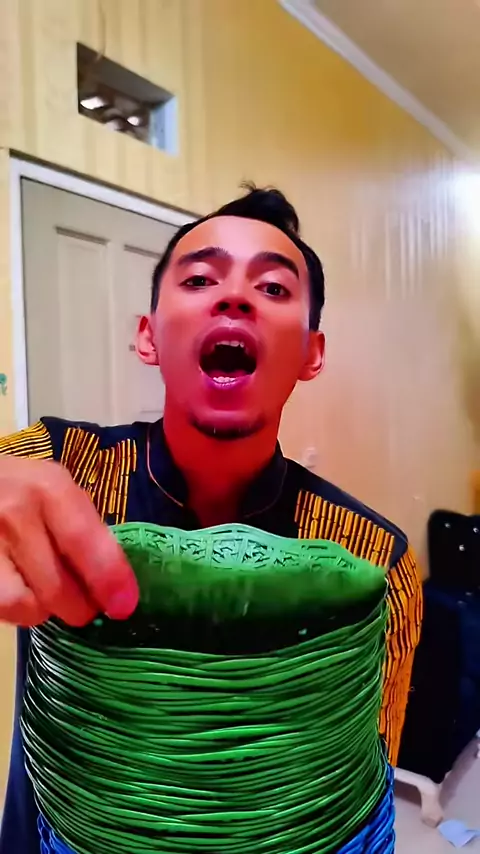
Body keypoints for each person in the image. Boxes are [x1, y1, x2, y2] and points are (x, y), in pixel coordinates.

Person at [0, 185, 422, 853]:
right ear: (147, 336)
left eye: (273, 288)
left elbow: (367, 769)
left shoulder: (376, 556)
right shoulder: (54, 462)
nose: (235, 297)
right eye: (200, 278)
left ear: (311, 353)